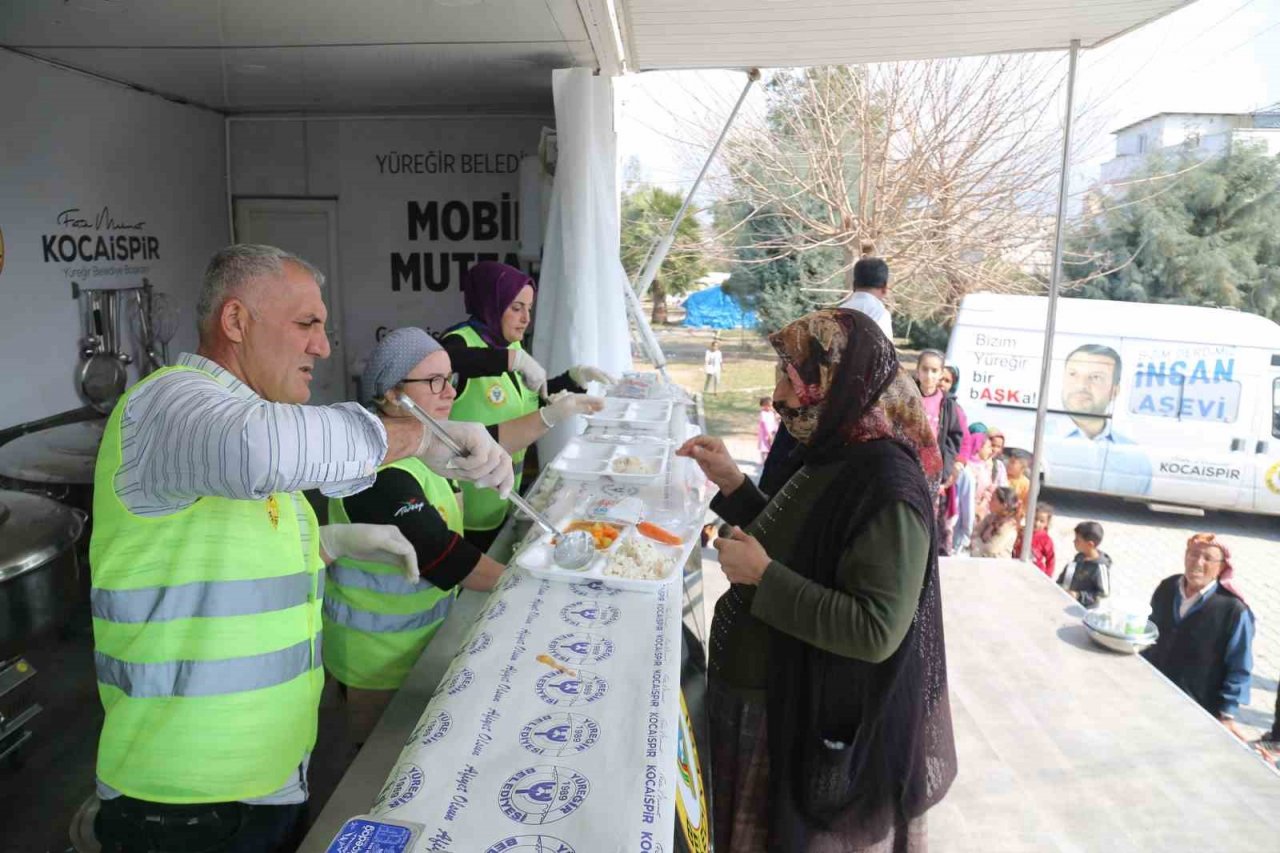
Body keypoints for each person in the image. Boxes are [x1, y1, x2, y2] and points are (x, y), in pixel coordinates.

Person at [90, 245, 513, 852]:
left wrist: (330, 543)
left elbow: (232, 558)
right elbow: (262, 451)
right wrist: (419, 437)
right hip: (185, 800)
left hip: (270, 778)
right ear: (236, 322)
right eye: (306, 324)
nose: (323, 346)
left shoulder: (250, 421)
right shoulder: (166, 403)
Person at [677, 308, 955, 852]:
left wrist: (764, 579)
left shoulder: (886, 484)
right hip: (770, 699)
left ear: (834, 382)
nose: (778, 393)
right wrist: (734, 483)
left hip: (801, 718)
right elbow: (804, 542)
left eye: (790, 377)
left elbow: (876, 629)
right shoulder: (839, 445)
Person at [324, 328, 511, 743]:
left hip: (424, 641)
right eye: (433, 382)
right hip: (376, 659)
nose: (449, 393)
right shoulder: (376, 474)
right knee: (377, 766)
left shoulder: (426, 450)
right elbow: (445, 557)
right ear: (391, 394)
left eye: (451, 380)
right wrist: (531, 581)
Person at [441, 261, 612, 551]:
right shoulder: (458, 342)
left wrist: (572, 380)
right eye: (516, 307)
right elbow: (450, 359)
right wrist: (512, 361)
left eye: (529, 309)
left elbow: (530, 400)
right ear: (491, 303)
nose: (525, 319)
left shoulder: (512, 345)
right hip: (466, 502)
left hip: (503, 495)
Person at [1142, 533, 1254, 741]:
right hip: (1152, 694)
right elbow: (1151, 631)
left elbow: (1239, 665)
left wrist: (1227, 714)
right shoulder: (1167, 587)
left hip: (1197, 707)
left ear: (1221, 568)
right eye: (1193, 555)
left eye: (1208, 559)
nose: (1197, 563)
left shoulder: (1234, 610)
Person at [1046, 343, 1152, 495]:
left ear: (1115, 391)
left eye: (1095, 378)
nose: (1081, 385)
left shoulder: (1137, 460)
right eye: (1073, 374)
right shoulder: (1039, 439)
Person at [838, 241, 894, 341]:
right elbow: (884, 354)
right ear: (885, 288)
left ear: (854, 285)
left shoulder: (838, 312)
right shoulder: (880, 314)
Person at [1056, 521, 1111, 607]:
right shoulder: (1079, 557)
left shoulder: (1099, 567)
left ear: (1090, 544)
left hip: (1085, 609)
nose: (1074, 542)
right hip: (1068, 602)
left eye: (1077, 540)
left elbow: (1103, 593)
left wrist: (1079, 595)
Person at [970, 487, 1020, 558]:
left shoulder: (1009, 526)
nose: (990, 501)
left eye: (993, 499)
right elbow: (974, 533)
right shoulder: (990, 517)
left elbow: (992, 549)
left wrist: (977, 545)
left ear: (1003, 505)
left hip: (997, 565)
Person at [1014, 503, 1057, 578]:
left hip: (1036, 573)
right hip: (1017, 568)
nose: (1037, 523)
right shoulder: (1021, 532)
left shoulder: (1046, 539)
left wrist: (1047, 577)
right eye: (1035, 519)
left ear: (1047, 523)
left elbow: (1050, 560)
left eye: (1041, 521)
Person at [1003, 448, 1031, 521]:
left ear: (1023, 467)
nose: (1008, 464)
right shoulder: (1002, 475)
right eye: (1009, 461)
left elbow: (1026, 505)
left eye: (1013, 462)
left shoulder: (1026, 484)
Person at [757, 395, 779, 461]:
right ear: (764, 406)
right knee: (764, 447)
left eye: (771, 406)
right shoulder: (763, 414)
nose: (771, 407)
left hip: (772, 432)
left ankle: (769, 459)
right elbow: (765, 425)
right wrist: (768, 434)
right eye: (769, 406)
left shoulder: (771, 413)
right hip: (765, 434)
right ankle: (763, 460)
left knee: (771, 447)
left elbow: (774, 422)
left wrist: (776, 429)